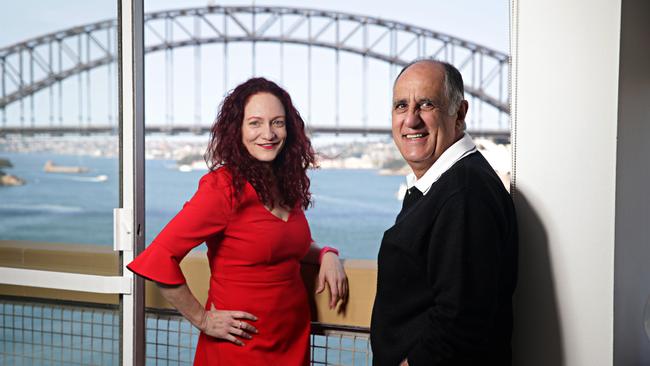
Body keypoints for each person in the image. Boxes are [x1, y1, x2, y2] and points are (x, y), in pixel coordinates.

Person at [127, 77, 348, 365]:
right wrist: (202, 319)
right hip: (238, 349)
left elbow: (288, 244)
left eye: (277, 122)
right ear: (238, 130)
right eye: (255, 122)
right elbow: (158, 258)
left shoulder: (284, 185)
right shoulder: (222, 188)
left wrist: (325, 254)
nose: (268, 133)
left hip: (291, 343)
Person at [370, 60, 518, 365]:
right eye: (401, 105)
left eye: (426, 104)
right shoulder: (441, 184)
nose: (411, 120)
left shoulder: (464, 193)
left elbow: (459, 324)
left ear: (460, 114)